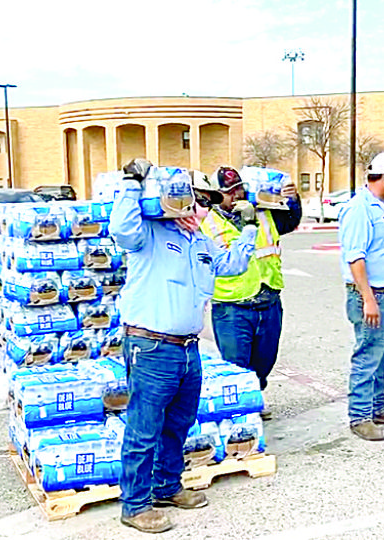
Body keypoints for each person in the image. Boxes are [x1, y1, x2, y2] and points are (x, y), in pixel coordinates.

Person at [110, 158, 258, 534]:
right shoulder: (148, 234)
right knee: (144, 427)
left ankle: (166, 486)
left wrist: (250, 228)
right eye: (196, 200)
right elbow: (121, 230)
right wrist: (131, 182)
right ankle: (136, 504)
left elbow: (230, 265)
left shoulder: (199, 241)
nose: (200, 207)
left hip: (188, 348)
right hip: (151, 346)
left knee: (178, 423)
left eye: (203, 202)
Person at [197, 166, 302, 420]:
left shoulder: (263, 212)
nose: (236, 195)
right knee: (235, 363)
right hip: (233, 305)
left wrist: (293, 200)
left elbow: (290, 221)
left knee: (265, 359)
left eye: (239, 189)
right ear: (216, 195)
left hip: (268, 297)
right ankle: (241, 413)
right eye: (229, 192)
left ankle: (255, 392)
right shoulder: (207, 223)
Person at [337, 152, 384, 442]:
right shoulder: (360, 209)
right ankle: (359, 416)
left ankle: (377, 407)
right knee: (368, 355)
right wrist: (368, 298)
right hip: (371, 296)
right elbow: (355, 258)